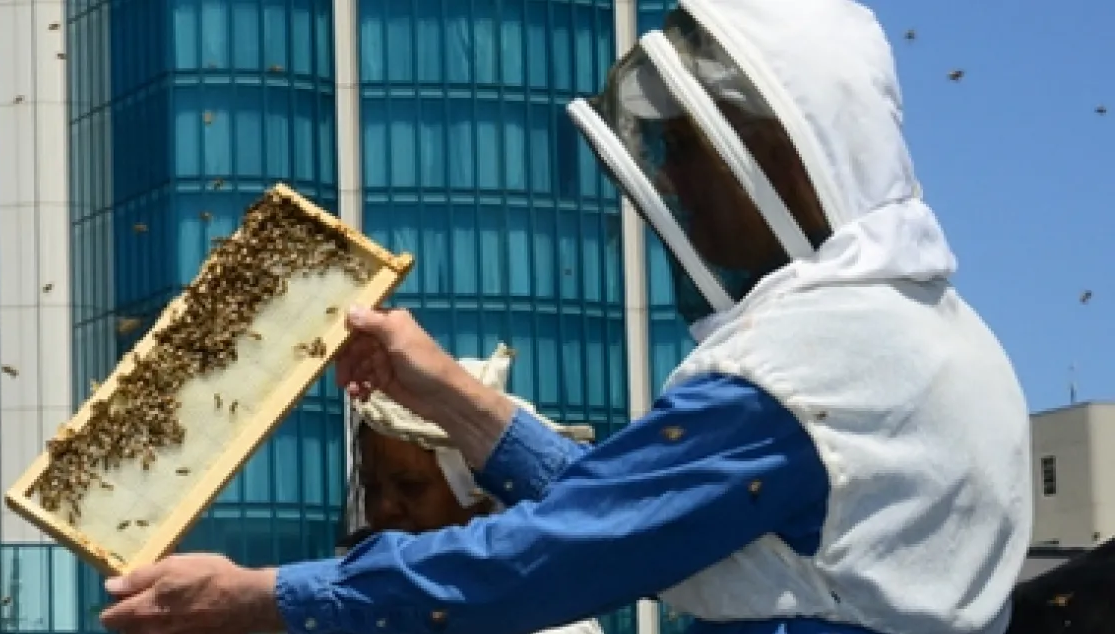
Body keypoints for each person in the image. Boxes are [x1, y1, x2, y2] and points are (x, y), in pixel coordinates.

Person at [97, 1, 1033, 633]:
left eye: (682, 149)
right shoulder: (932, 336)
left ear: (779, 157)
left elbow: (559, 552)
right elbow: (637, 507)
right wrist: (455, 397)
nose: (665, 181)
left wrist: (267, 598)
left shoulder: (816, 361)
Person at [341, 345, 604, 634]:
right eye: (371, 486)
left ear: (480, 494)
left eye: (410, 486)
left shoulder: (547, 620)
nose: (384, 508)